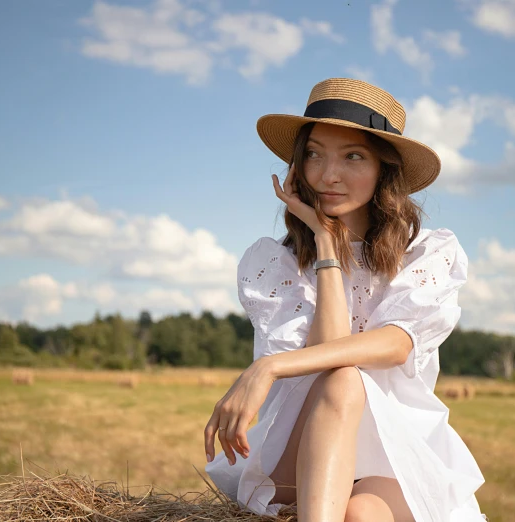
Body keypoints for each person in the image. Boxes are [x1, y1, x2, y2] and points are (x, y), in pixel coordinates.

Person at [204, 78, 486, 522]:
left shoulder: (427, 254)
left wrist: (270, 365)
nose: (327, 174)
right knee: (340, 378)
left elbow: (396, 344)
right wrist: (324, 243)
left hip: (393, 451)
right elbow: (326, 357)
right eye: (314, 154)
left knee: (361, 514)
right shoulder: (273, 263)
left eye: (352, 156)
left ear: (384, 170)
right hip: (299, 446)